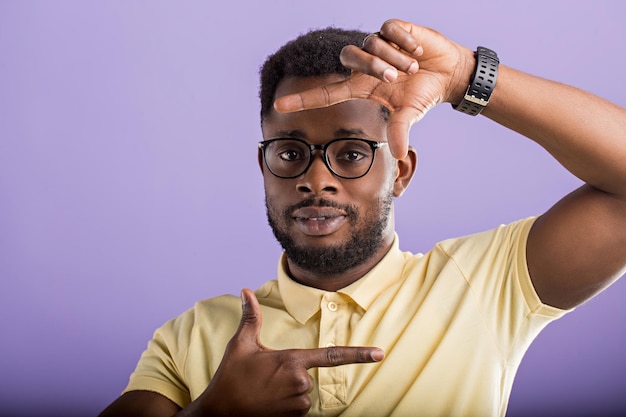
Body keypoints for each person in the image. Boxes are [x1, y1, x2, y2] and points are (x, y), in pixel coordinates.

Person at [98, 18, 626, 417]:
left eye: (350, 153)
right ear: (264, 167)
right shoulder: (192, 334)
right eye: (289, 153)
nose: (316, 180)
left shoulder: (485, 282)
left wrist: (466, 75)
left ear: (400, 172)